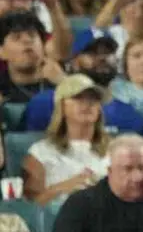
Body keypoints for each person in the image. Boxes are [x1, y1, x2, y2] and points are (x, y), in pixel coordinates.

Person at [21, 29, 143, 134]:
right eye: (92, 52)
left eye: (108, 52)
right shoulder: (46, 103)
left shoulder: (129, 114)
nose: (102, 58)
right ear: (73, 63)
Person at [22, 74, 110, 211]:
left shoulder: (116, 150)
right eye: (78, 98)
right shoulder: (40, 152)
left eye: (94, 99)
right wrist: (61, 188)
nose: (87, 103)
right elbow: (30, 208)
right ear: (61, 105)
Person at [0, 9, 57, 103]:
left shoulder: (60, 85)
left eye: (32, 35)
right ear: (1, 52)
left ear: (43, 45)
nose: (27, 40)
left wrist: (64, 83)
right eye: (16, 37)